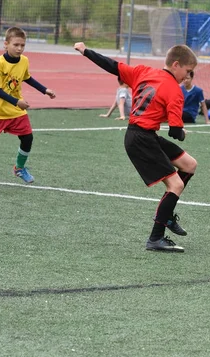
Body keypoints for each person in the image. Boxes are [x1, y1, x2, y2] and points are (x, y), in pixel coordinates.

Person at [74, 41, 198, 253]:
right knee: (175, 185)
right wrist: (183, 132)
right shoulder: (174, 91)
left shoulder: (143, 71)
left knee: (189, 165)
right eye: (187, 71)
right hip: (141, 140)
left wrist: (86, 51)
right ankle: (156, 238)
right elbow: (175, 132)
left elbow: (111, 65)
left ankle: (166, 216)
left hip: (140, 135)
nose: (187, 77)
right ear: (176, 65)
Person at [0, 26, 56, 183]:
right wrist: (17, 102)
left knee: (27, 138)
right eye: (16, 45)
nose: (20, 49)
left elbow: (27, 77)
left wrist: (44, 90)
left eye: (22, 45)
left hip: (15, 112)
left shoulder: (24, 61)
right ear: (6, 44)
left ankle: (19, 169)